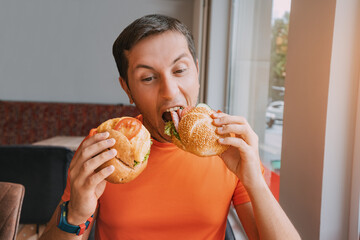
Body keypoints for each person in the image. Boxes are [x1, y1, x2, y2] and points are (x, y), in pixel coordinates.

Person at [40, 14, 300, 240]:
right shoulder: (104, 146)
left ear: (197, 74)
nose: (169, 91)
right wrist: (74, 213)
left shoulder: (229, 141)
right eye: (149, 78)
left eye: (180, 70)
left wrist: (254, 181)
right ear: (127, 89)